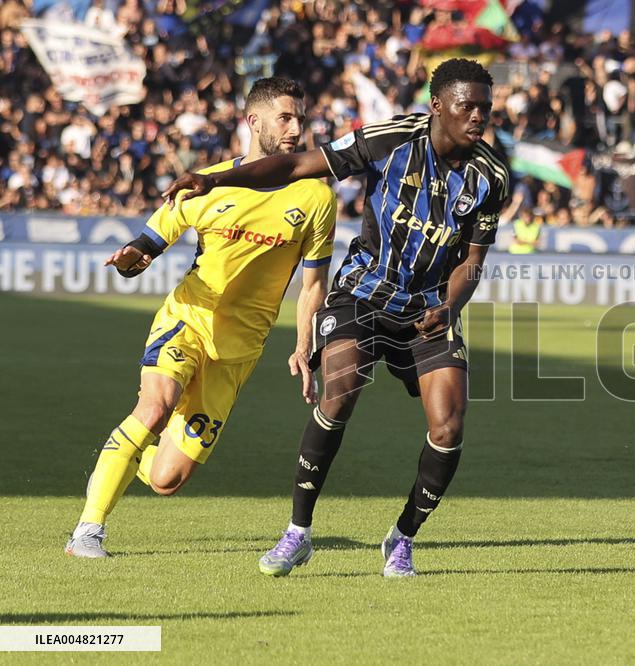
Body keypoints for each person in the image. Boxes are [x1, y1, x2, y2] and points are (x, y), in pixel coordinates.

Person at [163, 58, 509, 577]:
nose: (479, 116)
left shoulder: (492, 176)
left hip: (428, 310)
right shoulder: (389, 140)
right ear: (437, 105)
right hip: (362, 294)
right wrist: (217, 180)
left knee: (450, 425)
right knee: (340, 391)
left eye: (486, 106)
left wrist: (449, 306)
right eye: (468, 106)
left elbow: (473, 260)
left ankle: (402, 538)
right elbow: (295, 166)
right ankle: (298, 533)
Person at [65, 78, 337, 558]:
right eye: (286, 118)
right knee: (154, 407)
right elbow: (146, 246)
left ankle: (122, 454)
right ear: (254, 122)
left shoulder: (315, 198)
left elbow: (312, 285)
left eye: (300, 118)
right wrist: (130, 258)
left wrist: (303, 345)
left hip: (238, 350)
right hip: (188, 318)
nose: (297, 128)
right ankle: (88, 530)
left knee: (167, 479)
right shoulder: (205, 183)